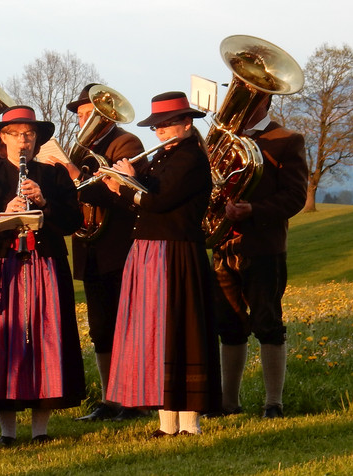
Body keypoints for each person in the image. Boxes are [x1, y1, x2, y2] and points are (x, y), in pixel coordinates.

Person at [0, 106, 85, 445]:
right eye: (16, 133)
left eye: (29, 134)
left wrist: (44, 202)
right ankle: (7, 431)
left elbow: (73, 222)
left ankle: (41, 429)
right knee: (1, 344)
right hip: (0, 266)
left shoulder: (55, 175)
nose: (24, 140)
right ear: (3, 138)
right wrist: (4, 214)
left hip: (43, 265)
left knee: (44, 341)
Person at [102, 91, 221, 437]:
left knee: (180, 331)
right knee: (154, 333)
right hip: (149, 253)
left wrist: (127, 183)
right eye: (157, 127)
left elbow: (158, 200)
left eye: (168, 125)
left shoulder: (191, 159)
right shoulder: (163, 158)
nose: (162, 133)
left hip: (176, 253)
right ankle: (167, 425)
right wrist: (109, 184)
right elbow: (142, 202)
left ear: (187, 123)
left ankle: (190, 424)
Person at [53, 84, 148, 422]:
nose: (83, 121)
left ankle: (134, 400)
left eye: (88, 114)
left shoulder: (127, 144)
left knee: (126, 325)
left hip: (118, 245)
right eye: (80, 115)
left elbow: (125, 196)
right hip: (90, 246)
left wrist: (77, 176)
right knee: (100, 327)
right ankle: (109, 399)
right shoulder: (79, 149)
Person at [212, 97, 308, 418]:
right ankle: (229, 403)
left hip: (264, 245)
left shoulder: (287, 140)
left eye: (248, 95)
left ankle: (273, 404)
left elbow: (295, 196)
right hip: (224, 244)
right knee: (229, 325)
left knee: (268, 323)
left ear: (265, 100)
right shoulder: (224, 139)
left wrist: (253, 210)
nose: (236, 102)